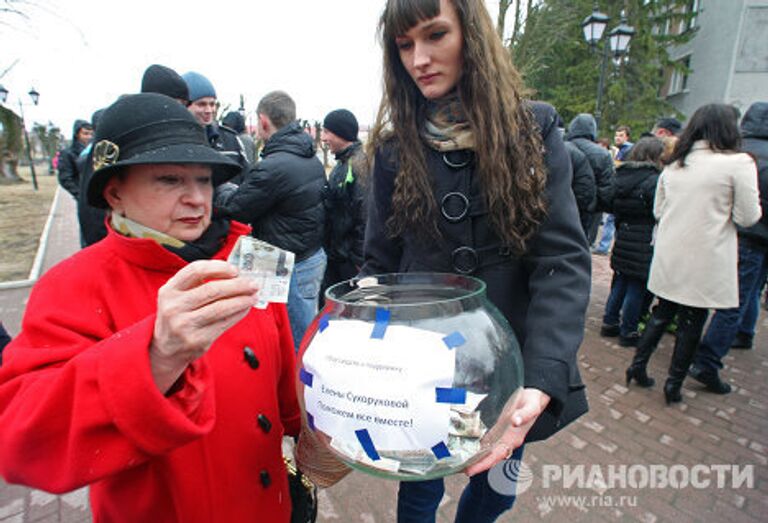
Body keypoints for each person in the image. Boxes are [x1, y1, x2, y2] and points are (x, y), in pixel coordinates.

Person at [0, 93, 301, 522]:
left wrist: (305, 428)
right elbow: (19, 441)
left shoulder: (246, 255)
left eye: (204, 179)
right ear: (115, 192)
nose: (198, 198)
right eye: (170, 180)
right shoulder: (74, 285)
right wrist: (155, 357)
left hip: (265, 505)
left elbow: (280, 362)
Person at [362, 1, 590, 521]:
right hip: (422, 366)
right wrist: (369, 357)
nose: (419, 58)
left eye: (435, 35)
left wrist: (542, 374)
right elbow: (378, 267)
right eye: (404, 45)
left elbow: (561, 259)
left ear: (472, 36)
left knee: (497, 481)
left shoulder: (532, 131)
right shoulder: (394, 150)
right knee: (419, 484)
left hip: (510, 367)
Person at [625, 103, 761, 404]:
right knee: (692, 320)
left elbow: (659, 210)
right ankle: (673, 384)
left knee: (662, 312)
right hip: (707, 255)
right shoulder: (738, 164)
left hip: (670, 252)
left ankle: (637, 366)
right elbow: (748, 216)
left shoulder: (676, 164)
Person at [221, 91, 326, 352]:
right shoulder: (308, 156)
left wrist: (223, 189)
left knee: (296, 340)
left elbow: (237, 208)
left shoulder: (273, 166)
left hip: (291, 265)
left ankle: (299, 390)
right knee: (306, 331)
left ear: (264, 121)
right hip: (310, 256)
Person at [687, 101, 768, 390]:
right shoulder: (738, 160)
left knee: (735, 296)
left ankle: (743, 333)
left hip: (725, 237)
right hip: (750, 237)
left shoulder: (727, 152)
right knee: (737, 298)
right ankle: (707, 361)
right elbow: (748, 214)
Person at [600, 137, 664, 347]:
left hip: (624, 233)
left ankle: (609, 321)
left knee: (620, 280)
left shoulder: (622, 174)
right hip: (644, 237)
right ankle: (628, 330)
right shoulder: (654, 180)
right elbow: (659, 210)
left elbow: (609, 200)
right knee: (636, 286)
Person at [320, 108, 369, 299]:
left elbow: (365, 215)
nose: (323, 138)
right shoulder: (341, 164)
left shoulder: (359, 166)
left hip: (351, 262)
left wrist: (359, 261)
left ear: (341, 133)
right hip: (338, 257)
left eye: (327, 132)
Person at [182, 71, 249, 182]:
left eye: (212, 104)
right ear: (185, 105)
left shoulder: (230, 140)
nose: (209, 110)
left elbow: (247, 178)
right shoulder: (175, 141)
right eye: (201, 104)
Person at [567, 114, 616, 245]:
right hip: (587, 211)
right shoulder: (603, 154)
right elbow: (606, 190)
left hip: (562, 205)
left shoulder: (561, 147)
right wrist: (593, 207)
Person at [57, 119, 93, 199]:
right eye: (85, 134)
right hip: (84, 197)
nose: (89, 137)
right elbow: (65, 178)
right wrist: (80, 195)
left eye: (91, 134)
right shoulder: (68, 153)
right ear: (77, 134)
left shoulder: (93, 150)